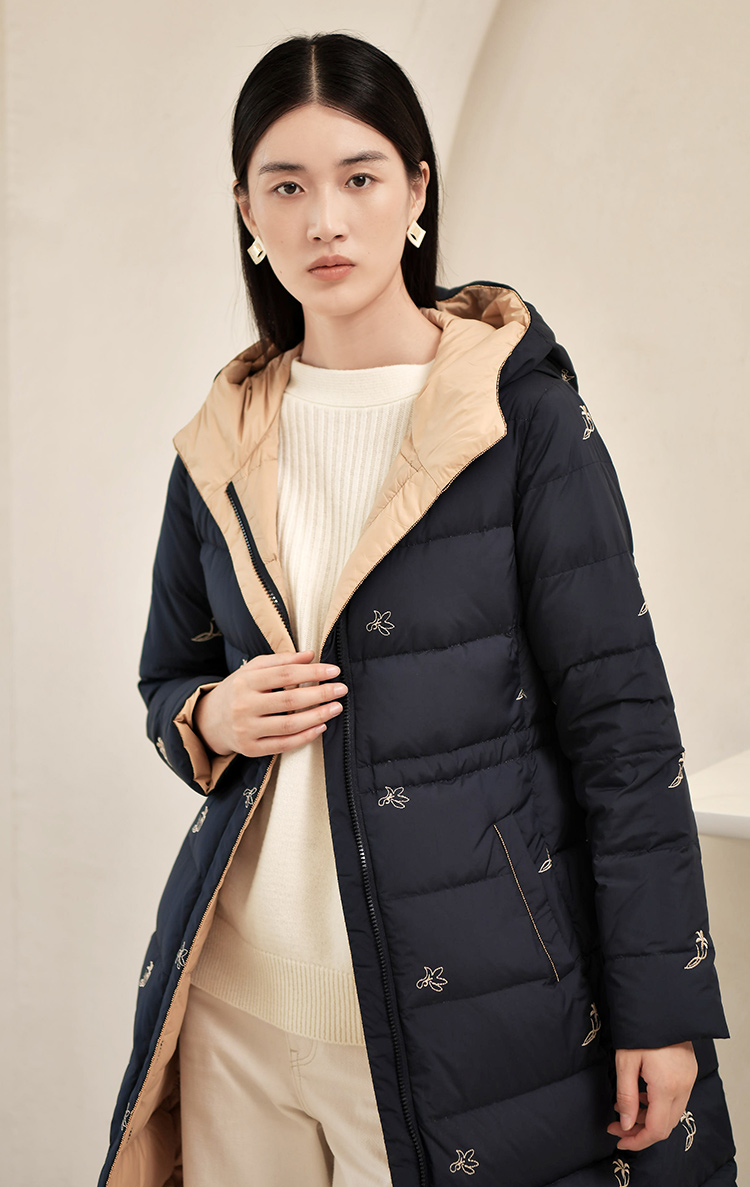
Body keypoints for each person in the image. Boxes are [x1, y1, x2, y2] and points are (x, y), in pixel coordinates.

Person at [98, 30, 737, 1187]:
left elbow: (625, 731)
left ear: (417, 190)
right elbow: (166, 678)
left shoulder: (522, 422)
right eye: (286, 187)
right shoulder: (222, 439)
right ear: (246, 210)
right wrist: (213, 713)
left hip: (463, 1014)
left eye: (359, 177)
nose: (325, 221)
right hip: (235, 1009)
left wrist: (663, 1002)